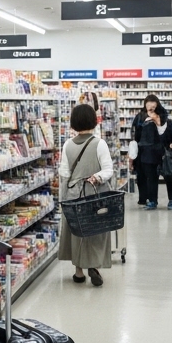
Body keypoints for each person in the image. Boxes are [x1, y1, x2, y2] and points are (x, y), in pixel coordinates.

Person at [57, 103, 119, 286]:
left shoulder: (67, 145)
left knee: (77, 231)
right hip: (96, 194)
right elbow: (108, 169)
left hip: (74, 195)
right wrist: (97, 177)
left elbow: (64, 173)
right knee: (96, 230)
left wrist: (64, 197)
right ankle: (94, 265)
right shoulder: (100, 144)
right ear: (94, 121)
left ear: (73, 123)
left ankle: (78, 271)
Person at [131, 94, 172, 210]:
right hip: (147, 153)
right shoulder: (140, 118)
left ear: (157, 105)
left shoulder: (165, 119)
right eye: (148, 103)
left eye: (153, 103)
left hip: (164, 153)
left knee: (169, 176)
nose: (151, 106)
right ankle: (152, 201)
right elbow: (135, 136)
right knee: (151, 178)